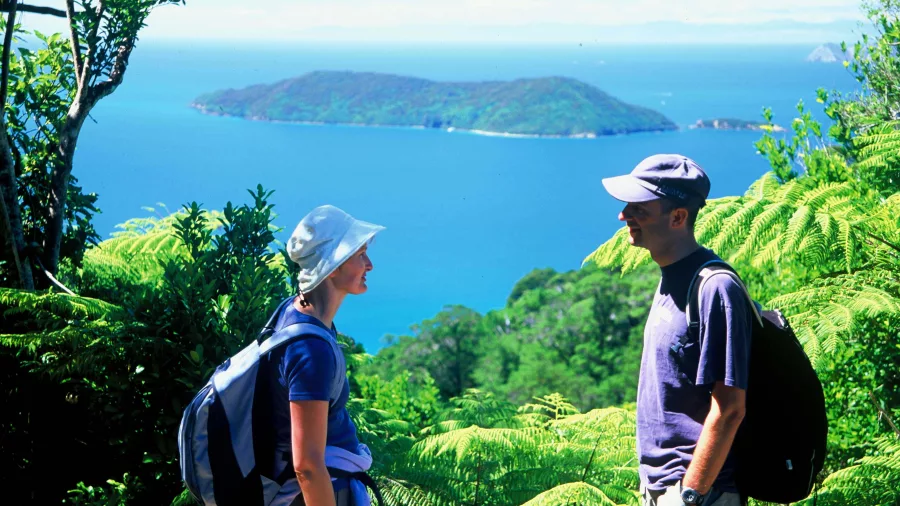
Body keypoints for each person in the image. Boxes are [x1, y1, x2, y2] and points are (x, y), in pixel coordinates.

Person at [601, 154, 752, 506]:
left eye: (639, 208)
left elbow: (731, 408)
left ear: (678, 217)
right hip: (667, 490)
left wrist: (690, 494)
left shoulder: (715, 288)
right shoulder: (671, 277)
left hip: (700, 494)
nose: (624, 215)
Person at [259, 204, 385, 506]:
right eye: (359, 254)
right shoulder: (310, 349)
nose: (369, 264)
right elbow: (308, 467)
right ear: (333, 266)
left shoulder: (296, 311)